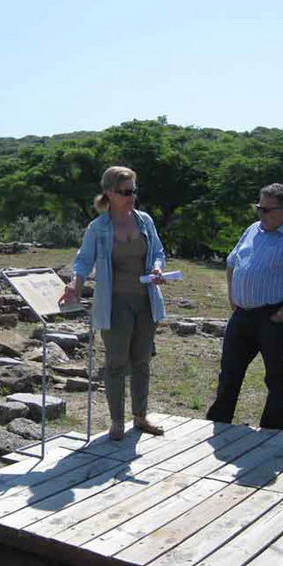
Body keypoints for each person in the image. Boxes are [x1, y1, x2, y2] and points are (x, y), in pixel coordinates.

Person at [59, 166, 167, 440]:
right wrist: (76, 284)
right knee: (117, 363)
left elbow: (157, 251)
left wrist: (157, 268)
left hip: (146, 301)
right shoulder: (99, 227)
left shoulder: (144, 220)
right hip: (114, 303)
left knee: (142, 361)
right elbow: (84, 260)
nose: (132, 196)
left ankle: (140, 417)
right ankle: (117, 421)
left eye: (134, 190)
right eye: (125, 192)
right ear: (109, 192)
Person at [206, 183, 283, 430]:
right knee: (229, 373)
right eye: (259, 208)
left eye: (268, 210)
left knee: (276, 377)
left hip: (272, 316)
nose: (262, 214)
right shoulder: (252, 230)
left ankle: (272, 430)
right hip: (242, 315)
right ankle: (218, 422)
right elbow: (231, 262)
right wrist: (233, 296)